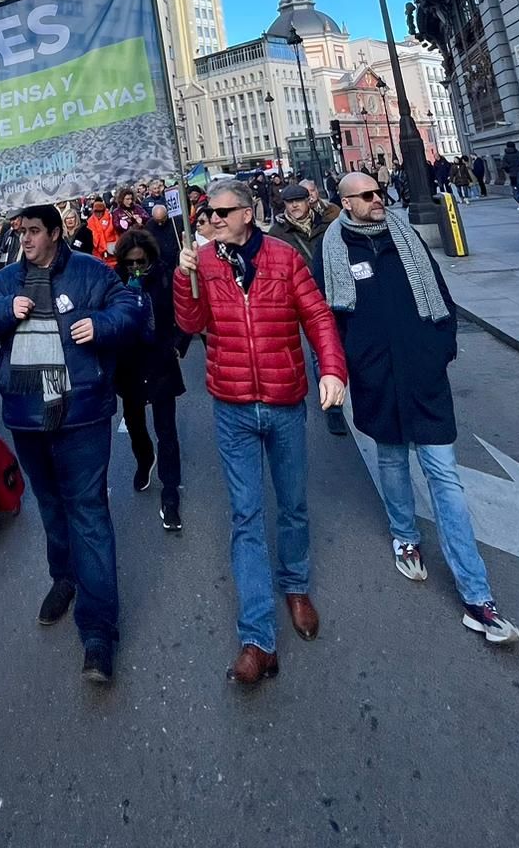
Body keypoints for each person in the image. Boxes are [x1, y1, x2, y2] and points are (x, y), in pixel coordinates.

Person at [313, 174, 519, 646]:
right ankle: (404, 534)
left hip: (424, 375)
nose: (378, 201)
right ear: (346, 203)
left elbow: (441, 296)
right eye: (367, 196)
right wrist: (350, 365)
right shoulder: (331, 251)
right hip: (377, 378)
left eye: (378, 193)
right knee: (390, 459)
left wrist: (440, 346)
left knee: (444, 475)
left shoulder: (405, 238)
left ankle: (477, 597)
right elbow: (326, 317)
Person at [174, 181, 347, 687]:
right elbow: (190, 323)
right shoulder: (203, 262)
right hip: (231, 405)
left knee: (291, 504)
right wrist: (183, 279)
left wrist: (332, 369)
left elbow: (316, 314)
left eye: (224, 211)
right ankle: (257, 638)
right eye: (209, 211)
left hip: (285, 400)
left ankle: (295, 586)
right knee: (246, 514)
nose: (214, 218)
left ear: (249, 214)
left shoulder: (283, 257)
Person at [0, 203, 142, 684]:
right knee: (49, 505)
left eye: (34, 231)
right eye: (21, 231)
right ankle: (63, 576)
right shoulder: (5, 281)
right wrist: (6, 310)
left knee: (87, 511)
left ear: (56, 233)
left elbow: (129, 308)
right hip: (27, 414)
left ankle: (99, 630)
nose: (24, 239)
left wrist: (101, 325)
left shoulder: (88, 271)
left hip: (82, 411)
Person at [112, 229, 185, 530]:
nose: (135, 268)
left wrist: (179, 344)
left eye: (140, 262)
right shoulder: (115, 282)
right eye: (129, 263)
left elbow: (185, 311)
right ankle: (144, 459)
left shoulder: (166, 276)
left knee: (166, 431)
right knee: (135, 424)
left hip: (160, 360)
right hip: (129, 363)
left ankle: (170, 494)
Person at [267, 183, 347, 436]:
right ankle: (333, 408)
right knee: (318, 352)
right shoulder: (277, 232)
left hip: (335, 291)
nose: (294, 206)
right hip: (304, 299)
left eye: (298, 201)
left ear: (308, 201)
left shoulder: (328, 224)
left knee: (347, 344)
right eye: (289, 203)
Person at [87, 196, 119, 262]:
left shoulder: (111, 218)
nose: (98, 213)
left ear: (104, 211)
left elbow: (116, 233)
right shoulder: (90, 221)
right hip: (97, 250)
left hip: (111, 249)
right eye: (96, 211)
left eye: (100, 211)